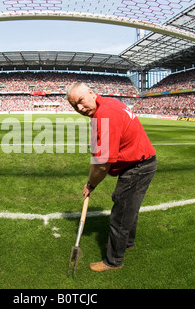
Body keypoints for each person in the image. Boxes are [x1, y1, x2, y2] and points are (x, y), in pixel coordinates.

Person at [66, 82, 157, 272]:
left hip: (138, 166)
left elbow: (101, 165)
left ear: (91, 93)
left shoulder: (104, 115)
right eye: (75, 106)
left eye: (81, 101)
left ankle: (114, 260)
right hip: (140, 162)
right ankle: (127, 243)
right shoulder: (106, 104)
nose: (80, 108)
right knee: (129, 208)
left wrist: (90, 184)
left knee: (121, 213)